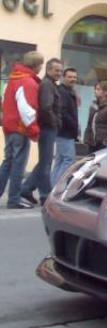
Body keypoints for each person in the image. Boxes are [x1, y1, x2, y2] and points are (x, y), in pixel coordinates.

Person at [0, 51, 43, 209]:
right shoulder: (28, 82)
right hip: (21, 128)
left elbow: (5, 102)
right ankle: (14, 198)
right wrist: (34, 131)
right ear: (35, 65)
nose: (41, 68)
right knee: (18, 164)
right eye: (40, 64)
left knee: (8, 161)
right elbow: (27, 111)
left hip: (9, 126)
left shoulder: (13, 78)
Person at [20, 57, 62, 206]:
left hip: (49, 127)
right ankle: (45, 195)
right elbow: (46, 107)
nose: (59, 73)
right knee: (46, 163)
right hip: (47, 127)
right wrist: (55, 122)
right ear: (49, 69)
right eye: (56, 70)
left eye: (60, 71)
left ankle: (26, 188)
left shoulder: (51, 84)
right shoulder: (47, 85)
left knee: (45, 161)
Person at [50, 67, 79, 186]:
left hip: (64, 131)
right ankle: (58, 187)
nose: (73, 79)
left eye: (74, 77)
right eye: (70, 77)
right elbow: (63, 112)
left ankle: (52, 187)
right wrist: (73, 125)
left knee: (60, 161)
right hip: (65, 131)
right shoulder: (62, 91)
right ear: (63, 77)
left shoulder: (69, 91)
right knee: (68, 160)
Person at [83, 81, 107, 153]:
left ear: (105, 92)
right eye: (95, 89)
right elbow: (89, 124)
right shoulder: (93, 107)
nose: (95, 91)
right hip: (92, 143)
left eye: (98, 89)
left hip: (102, 144)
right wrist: (86, 139)